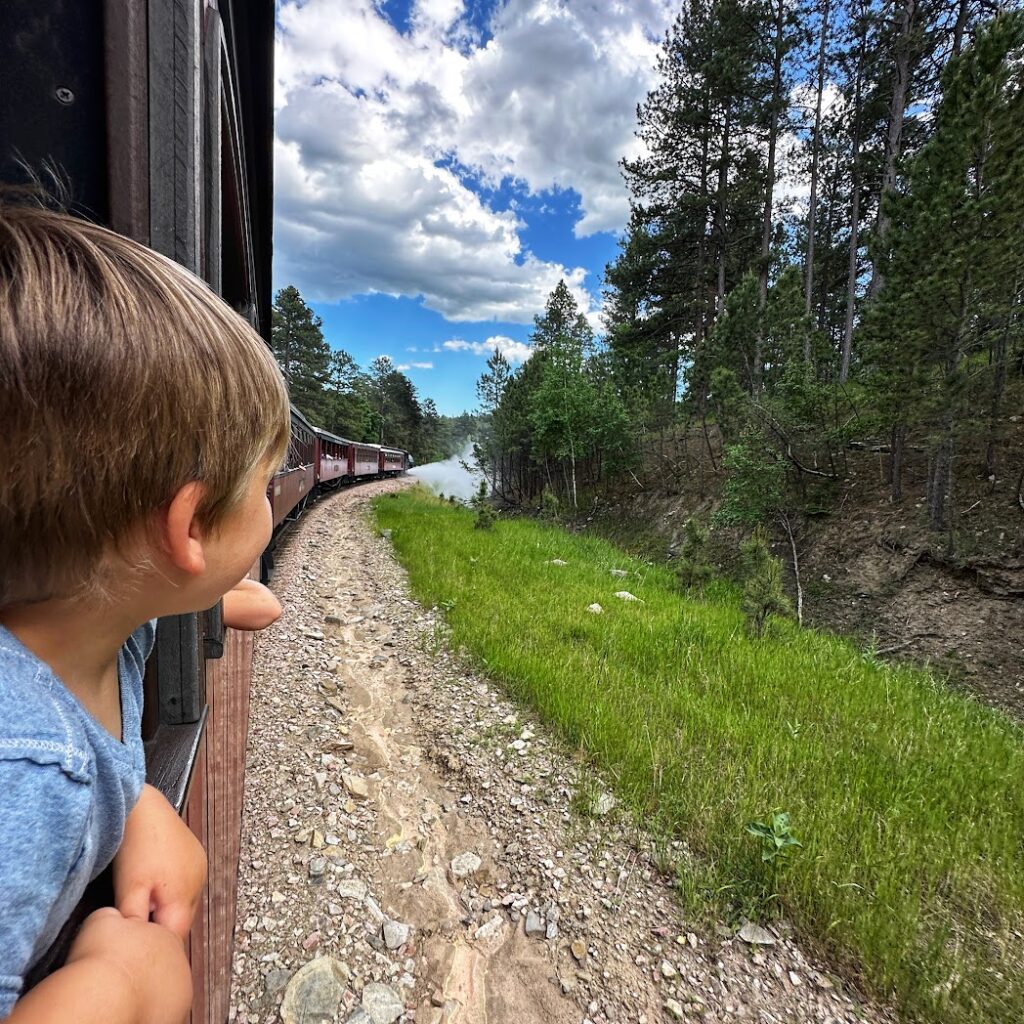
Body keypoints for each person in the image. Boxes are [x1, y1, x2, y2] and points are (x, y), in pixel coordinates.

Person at [0, 199, 291, 1023]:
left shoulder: (106, 627)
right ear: (190, 528)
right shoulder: (21, 768)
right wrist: (123, 987)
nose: (273, 504)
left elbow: (252, 602)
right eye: (265, 489)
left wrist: (139, 799)